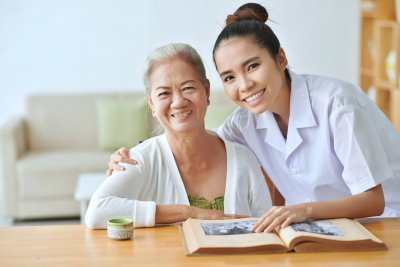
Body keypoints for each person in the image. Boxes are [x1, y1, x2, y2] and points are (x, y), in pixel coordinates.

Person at [107, 3, 400, 232]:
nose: (244, 85)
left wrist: (302, 210)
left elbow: (374, 200)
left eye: (252, 66)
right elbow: (194, 140)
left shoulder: (337, 104)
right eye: (230, 77)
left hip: (387, 224)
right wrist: (134, 153)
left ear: (281, 58)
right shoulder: (244, 123)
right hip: (323, 230)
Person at [85, 43, 272, 229]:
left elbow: (267, 231)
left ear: (206, 91)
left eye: (188, 88)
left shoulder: (243, 159)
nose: (178, 102)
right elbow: (96, 212)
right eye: (164, 93)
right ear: (151, 103)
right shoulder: (141, 159)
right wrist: (188, 213)